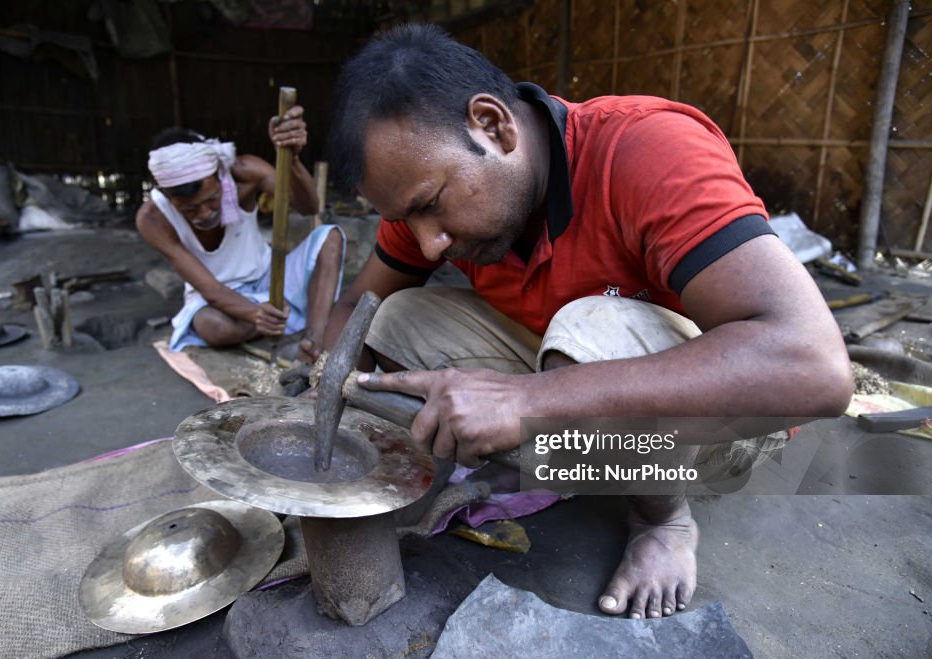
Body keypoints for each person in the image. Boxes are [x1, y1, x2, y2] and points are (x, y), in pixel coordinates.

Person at [321, 24, 853, 620]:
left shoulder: (648, 149)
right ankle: (547, 450)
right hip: (568, 365)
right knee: (396, 318)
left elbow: (817, 369)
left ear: (493, 126)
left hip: (727, 415)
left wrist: (532, 399)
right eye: (407, 217)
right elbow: (357, 310)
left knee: (591, 329)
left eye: (429, 207)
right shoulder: (424, 183)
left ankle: (663, 520)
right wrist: (321, 375)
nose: (430, 243)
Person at [137, 106, 345, 361]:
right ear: (167, 197)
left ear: (219, 175)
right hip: (216, 299)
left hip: (269, 278)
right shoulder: (153, 219)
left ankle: (313, 341)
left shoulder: (245, 173)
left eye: (213, 199)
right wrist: (255, 313)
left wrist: (291, 161)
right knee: (215, 327)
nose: (204, 214)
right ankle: (281, 319)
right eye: (189, 209)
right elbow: (210, 289)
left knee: (330, 237)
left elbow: (309, 207)